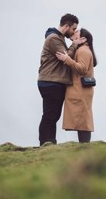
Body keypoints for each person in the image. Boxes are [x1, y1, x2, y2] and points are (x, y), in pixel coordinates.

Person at [37, 13, 86, 146]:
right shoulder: (54, 39)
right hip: (51, 82)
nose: (74, 32)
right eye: (73, 29)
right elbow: (65, 57)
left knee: (52, 116)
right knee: (50, 115)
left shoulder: (58, 38)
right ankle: (45, 142)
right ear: (66, 26)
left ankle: (49, 142)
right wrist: (75, 44)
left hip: (52, 82)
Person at [56, 28, 97, 143]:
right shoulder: (83, 49)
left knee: (83, 121)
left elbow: (82, 69)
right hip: (81, 90)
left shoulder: (83, 50)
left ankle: (84, 147)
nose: (74, 32)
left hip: (80, 90)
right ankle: (84, 147)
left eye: (77, 31)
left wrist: (67, 59)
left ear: (83, 38)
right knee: (83, 120)